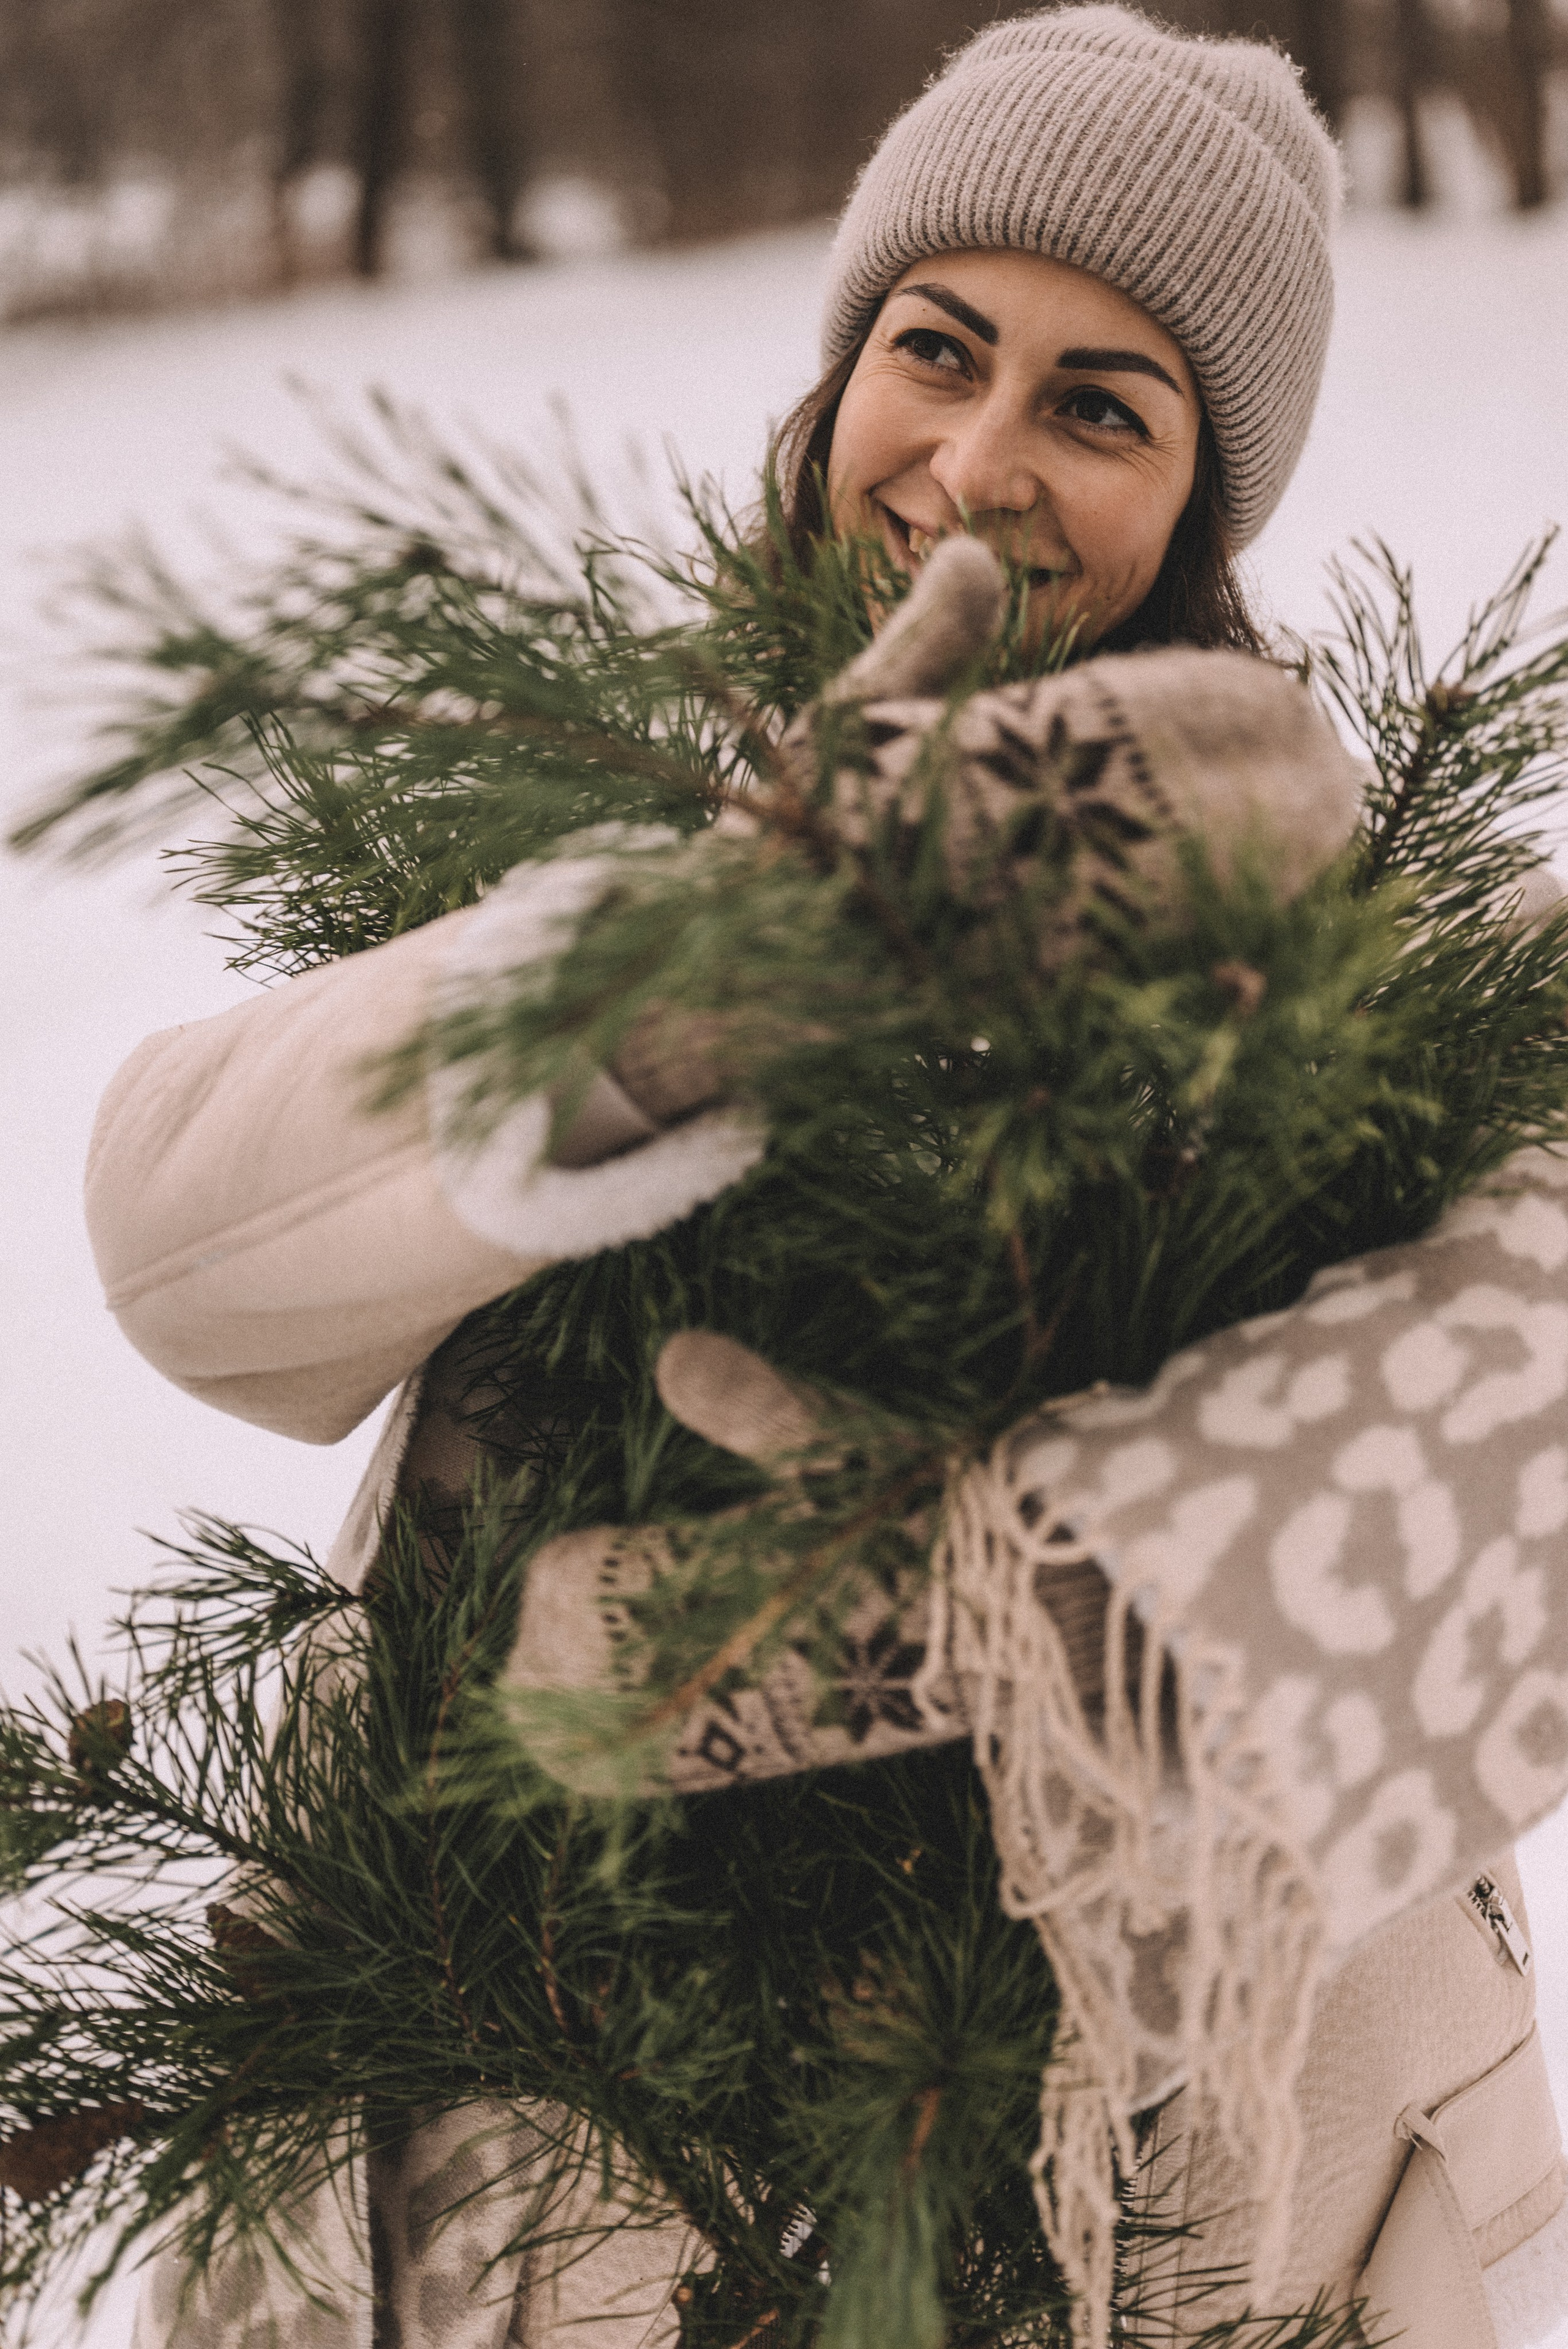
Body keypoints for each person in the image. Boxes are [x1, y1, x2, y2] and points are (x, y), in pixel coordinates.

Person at [91, 10, 1567, 2348]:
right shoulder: (587, 812)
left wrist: (1065, 1581)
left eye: (1103, 405)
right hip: (544, 2203)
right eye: (937, 348)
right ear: (841, 363)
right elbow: (183, 1240)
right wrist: (712, 966)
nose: (978, 460)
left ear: (1203, 505)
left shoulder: (1370, 962)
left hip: (1167, 2232)